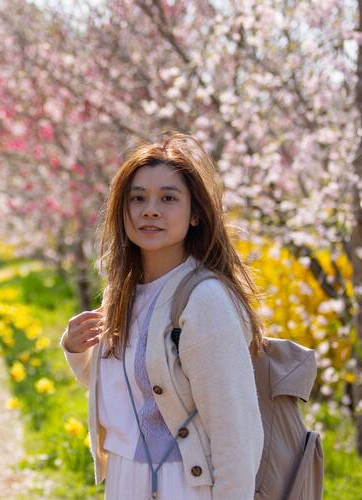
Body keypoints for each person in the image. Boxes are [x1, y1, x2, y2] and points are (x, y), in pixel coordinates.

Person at [61, 133, 266, 499]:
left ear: (195, 214)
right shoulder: (123, 291)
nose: (150, 210)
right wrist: (77, 349)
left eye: (168, 198)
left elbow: (235, 431)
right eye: (137, 198)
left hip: (182, 484)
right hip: (124, 479)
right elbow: (127, 391)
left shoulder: (204, 300)